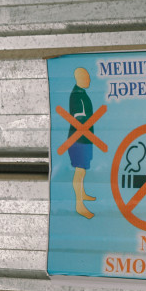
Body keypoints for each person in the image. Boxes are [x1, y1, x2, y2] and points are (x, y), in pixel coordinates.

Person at [67, 67, 96, 219]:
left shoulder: (82, 93)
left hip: (85, 138)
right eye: (87, 77)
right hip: (78, 139)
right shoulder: (76, 96)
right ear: (79, 78)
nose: (89, 80)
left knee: (83, 169)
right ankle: (79, 205)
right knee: (79, 170)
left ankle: (82, 194)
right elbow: (78, 117)